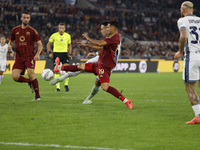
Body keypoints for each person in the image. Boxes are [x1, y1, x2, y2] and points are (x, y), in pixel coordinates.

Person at [54, 20, 133, 109]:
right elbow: (101, 47)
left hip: (104, 67)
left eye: (107, 27)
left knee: (104, 87)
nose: (106, 29)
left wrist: (89, 39)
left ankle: (126, 101)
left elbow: (100, 44)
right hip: (99, 64)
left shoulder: (114, 39)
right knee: (81, 66)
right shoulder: (110, 37)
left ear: (113, 28)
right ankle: (59, 67)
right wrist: (88, 47)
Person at [174, 1, 200, 124]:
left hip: (192, 57)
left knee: (189, 87)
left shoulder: (182, 20)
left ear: (183, 10)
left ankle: (198, 116)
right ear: (192, 10)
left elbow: (183, 37)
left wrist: (180, 52)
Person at [8, 11, 43, 101]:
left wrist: (37, 54)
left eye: (28, 18)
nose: (26, 19)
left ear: (29, 19)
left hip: (29, 57)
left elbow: (40, 44)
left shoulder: (32, 31)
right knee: (15, 77)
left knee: (31, 74)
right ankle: (29, 82)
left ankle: (37, 96)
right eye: (24, 17)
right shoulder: (15, 30)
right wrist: (10, 45)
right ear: (21, 18)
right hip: (19, 58)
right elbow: (11, 41)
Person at [47, 23, 72, 92]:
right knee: (57, 71)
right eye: (60, 28)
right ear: (58, 28)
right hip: (56, 54)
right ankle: (58, 88)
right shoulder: (54, 35)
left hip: (64, 54)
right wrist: (50, 52)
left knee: (67, 69)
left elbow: (69, 45)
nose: (61, 29)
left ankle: (66, 85)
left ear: (65, 29)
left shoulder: (68, 36)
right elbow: (48, 44)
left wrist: (69, 54)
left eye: (62, 28)